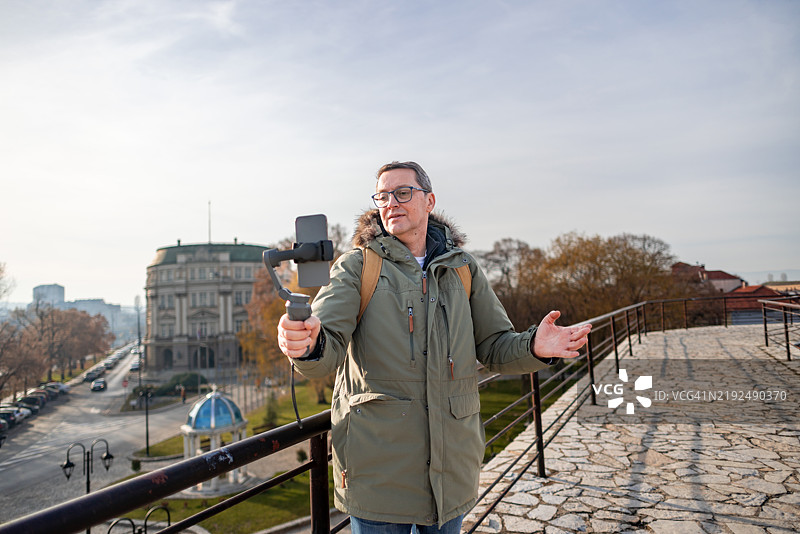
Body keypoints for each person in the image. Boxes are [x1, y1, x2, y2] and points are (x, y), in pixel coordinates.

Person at [277, 161, 592, 533]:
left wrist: (536, 347)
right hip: (378, 471)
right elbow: (324, 347)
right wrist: (305, 344)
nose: (391, 202)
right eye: (382, 195)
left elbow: (493, 346)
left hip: (451, 469)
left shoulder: (463, 269)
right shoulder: (357, 268)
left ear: (429, 201)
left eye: (403, 192)